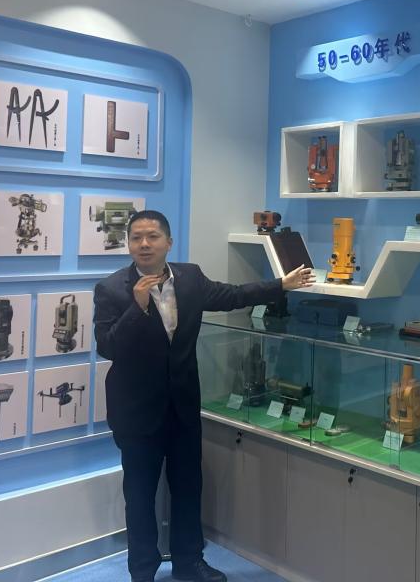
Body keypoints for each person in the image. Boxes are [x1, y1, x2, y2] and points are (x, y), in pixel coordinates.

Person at [94, 209, 314, 582]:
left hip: (182, 407)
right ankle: (142, 572)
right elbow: (108, 347)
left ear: (168, 242)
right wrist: (137, 306)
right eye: (136, 238)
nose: (144, 244)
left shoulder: (191, 278)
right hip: (136, 413)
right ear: (128, 244)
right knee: (140, 496)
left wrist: (282, 284)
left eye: (152, 237)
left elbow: (233, 295)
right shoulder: (112, 289)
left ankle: (189, 562)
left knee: (187, 488)